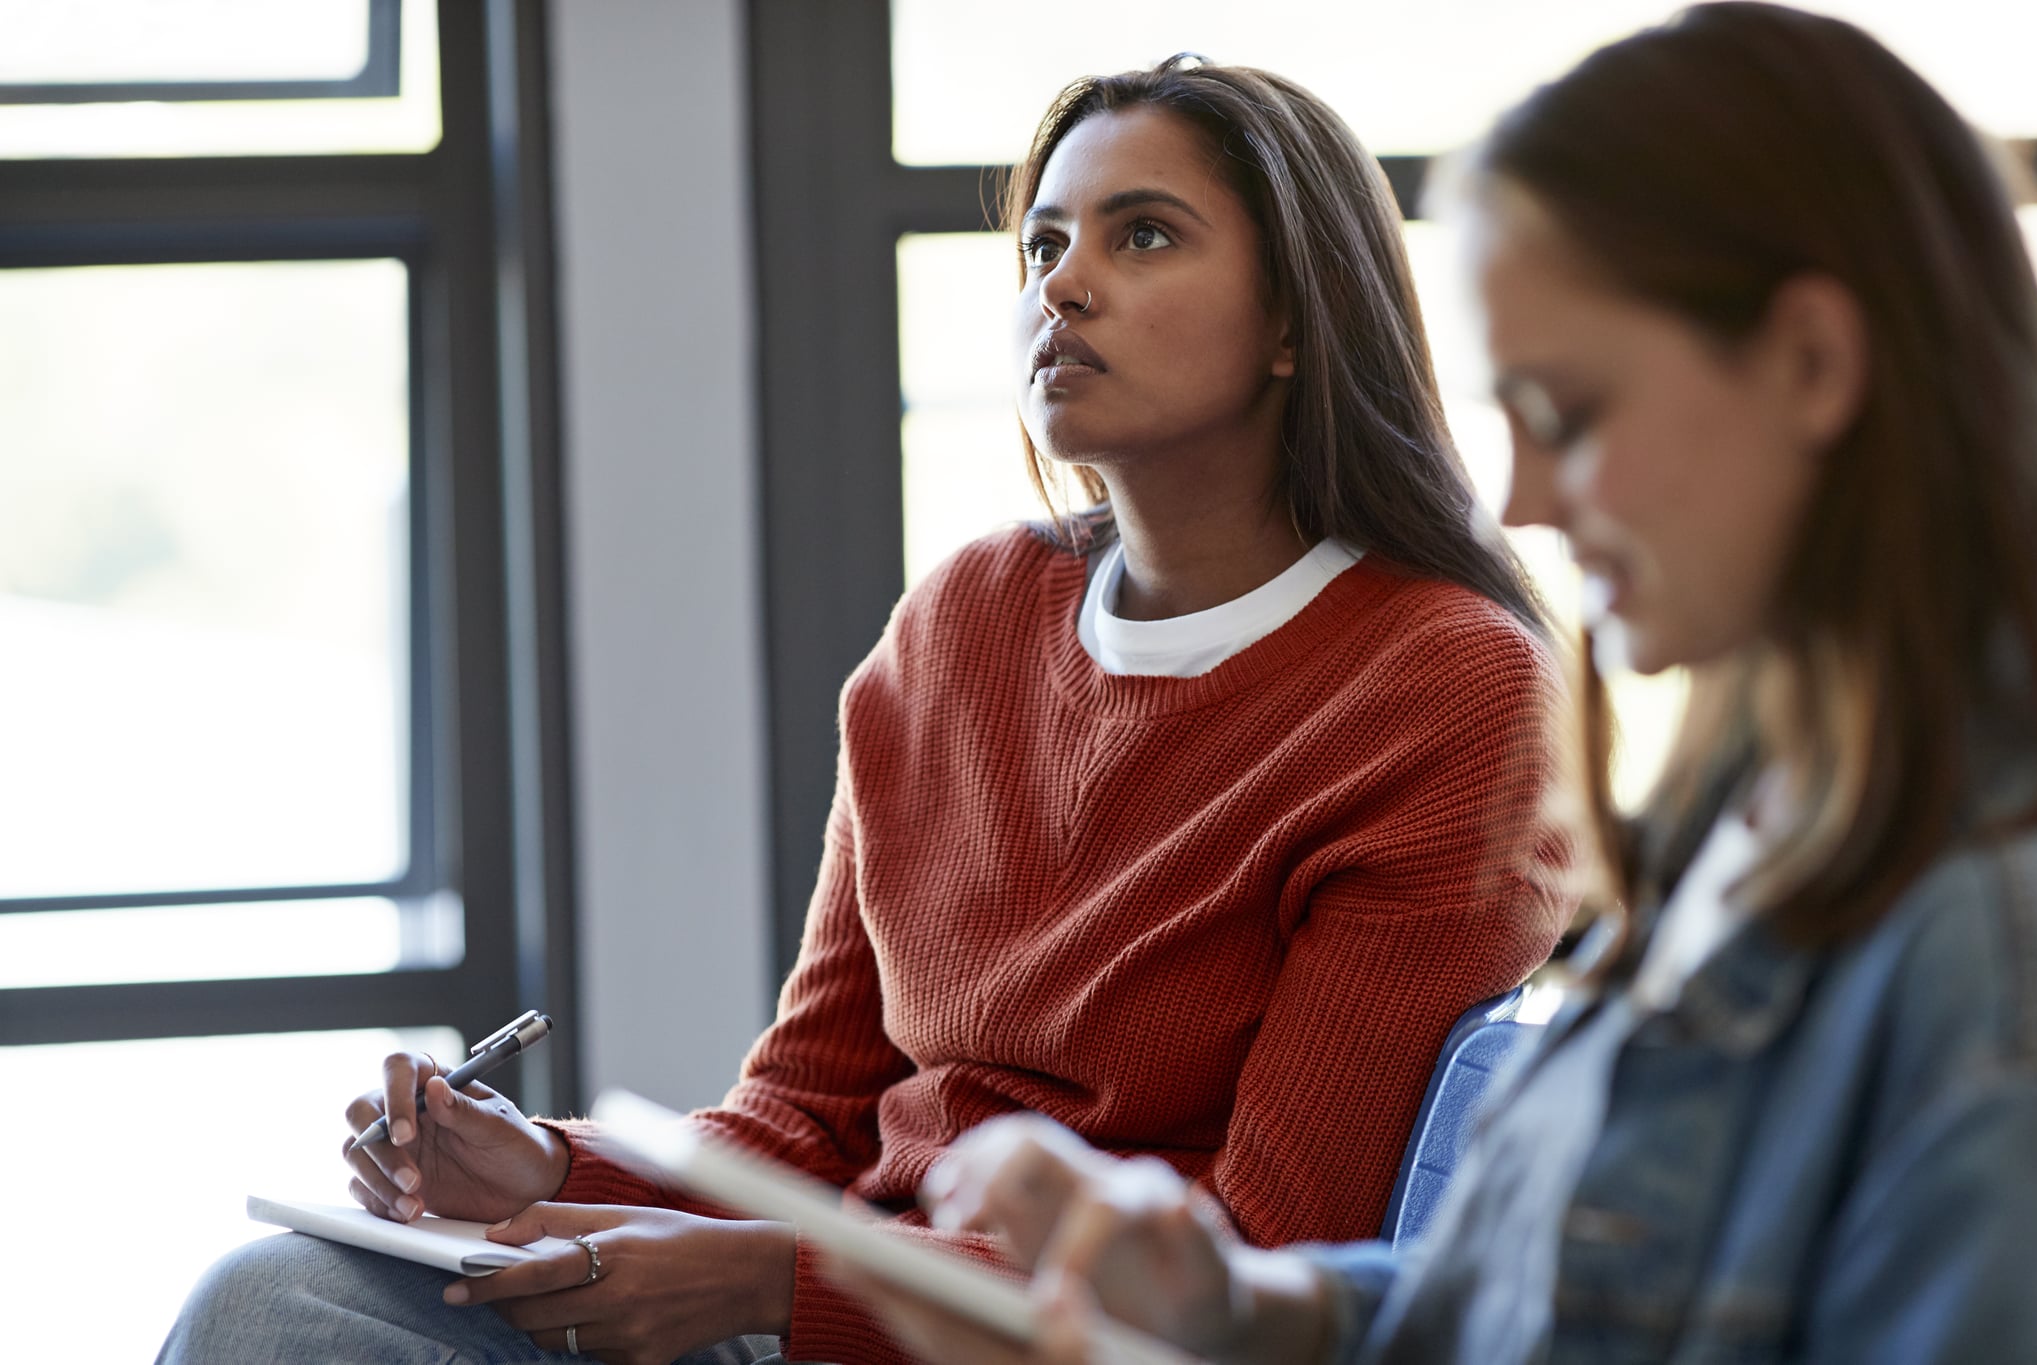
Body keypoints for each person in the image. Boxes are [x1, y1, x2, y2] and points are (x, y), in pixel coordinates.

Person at [159, 56, 1571, 1365]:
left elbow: (1267, 1258)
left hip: (1045, 1343)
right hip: (828, 1301)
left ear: (1291, 317)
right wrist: (546, 1168)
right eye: (1044, 244)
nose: (1063, 285)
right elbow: (810, 1112)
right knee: (273, 1296)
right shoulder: (962, 619)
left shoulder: (1446, 689)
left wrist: (767, 1283)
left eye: (1142, 235)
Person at [828, 5, 2037, 1362]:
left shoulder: (1990, 946)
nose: (1522, 496)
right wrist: (1230, 1305)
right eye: (1043, 243)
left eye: (1570, 416)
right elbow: (1522, 1309)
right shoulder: (1748, 833)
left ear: (1815, 366)